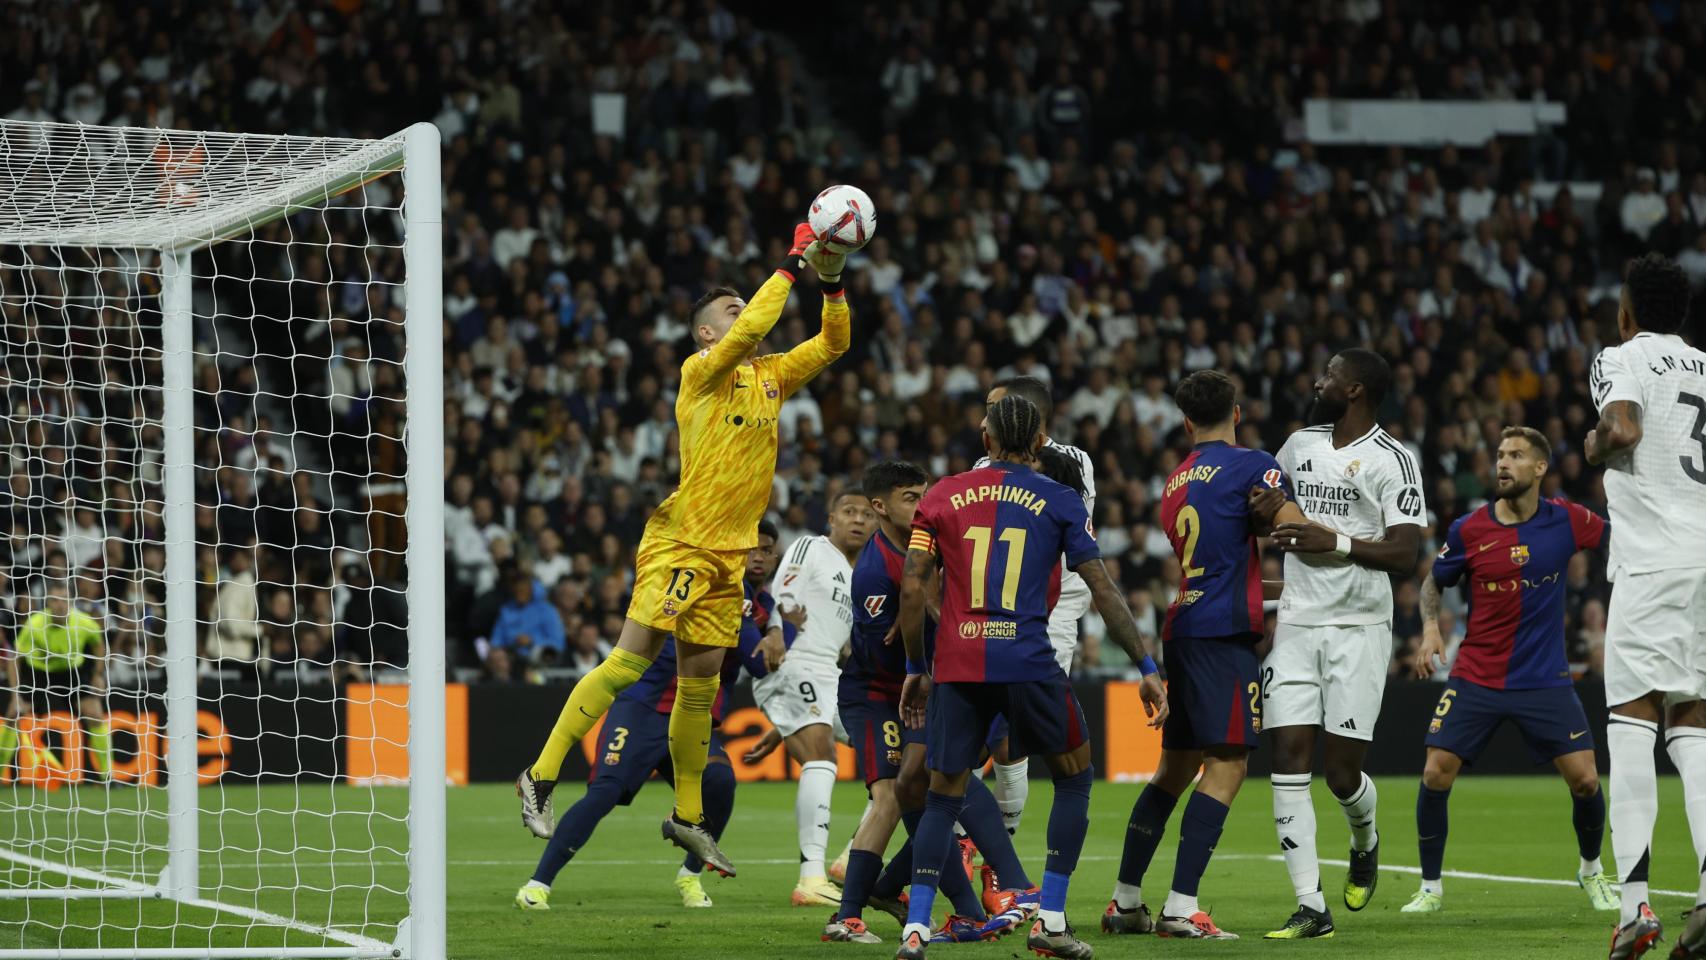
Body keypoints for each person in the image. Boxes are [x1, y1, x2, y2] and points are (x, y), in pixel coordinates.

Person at [516, 224, 850, 877]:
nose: (742, 316)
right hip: (684, 540)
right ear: (706, 334)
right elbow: (752, 325)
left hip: (729, 556)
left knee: (698, 688)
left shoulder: (772, 378)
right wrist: (793, 261)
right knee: (629, 661)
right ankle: (540, 773)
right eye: (728, 312)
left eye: (740, 308)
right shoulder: (700, 373)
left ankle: (689, 819)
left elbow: (835, 341)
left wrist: (831, 278)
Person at [892, 394, 1168, 960]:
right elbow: (1103, 590)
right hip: (1028, 660)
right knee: (1073, 778)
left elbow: (914, 587)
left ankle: (915, 929)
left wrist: (917, 668)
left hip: (960, 665)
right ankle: (1051, 918)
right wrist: (1145, 665)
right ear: (1040, 441)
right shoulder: (1061, 499)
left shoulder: (941, 495)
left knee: (943, 797)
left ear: (985, 438)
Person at [1104, 370, 1303, 940]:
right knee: (1228, 764)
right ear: (1236, 413)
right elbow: (1280, 517)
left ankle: (1125, 903)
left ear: (1187, 422)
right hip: (1222, 635)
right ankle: (1180, 907)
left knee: (1173, 770)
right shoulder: (1252, 464)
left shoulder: (1175, 481)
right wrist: (1309, 529)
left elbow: (1214, 562)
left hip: (1184, 625)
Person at [1400, 426, 1615, 915]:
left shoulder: (1568, 520)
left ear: (1540, 468)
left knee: (1584, 779)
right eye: (1499, 454)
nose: (1502, 463)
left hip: (1544, 678)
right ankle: (1430, 888)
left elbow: (1619, 543)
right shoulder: (1469, 529)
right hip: (1477, 674)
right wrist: (1431, 626)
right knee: (1435, 772)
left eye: (1516, 455)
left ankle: (1592, 871)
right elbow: (1435, 579)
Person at [513, 522, 782, 912]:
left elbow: (762, 640)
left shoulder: (760, 604)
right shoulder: (716, 583)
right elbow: (759, 663)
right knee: (603, 794)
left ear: (775, 557)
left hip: (692, 719)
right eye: (751, 547)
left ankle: (689, 876)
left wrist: (775, 628)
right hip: (645, 707)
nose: (757, 555)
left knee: (720, 782)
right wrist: (781, 631)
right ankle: (538, 884)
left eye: (766, 549)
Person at [825, 460, 1030, 945]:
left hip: (933, 686)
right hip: (881, 694)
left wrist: (926, 613)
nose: (923, 503)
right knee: (904, 791)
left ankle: (925, 900)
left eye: (924, 492)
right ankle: (846, 915)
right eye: (910, 497)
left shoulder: (937, 543)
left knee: (930, 789)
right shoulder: (875, 571)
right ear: (881, 507)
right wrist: (927, 614)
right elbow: (881, 651)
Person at [1257, 348, 1425, 939]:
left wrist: (1337, 541)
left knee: (1341, 774)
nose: (1317, 380)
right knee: (1286, 761)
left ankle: (1365, 837)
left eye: (1329, 374)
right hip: (1299, 622)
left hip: (1359, 627)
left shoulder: (1393, 459)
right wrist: (1262, 514)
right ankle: (1311, 907)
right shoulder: (1299, 445)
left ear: (1354, 390)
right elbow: (1271, 515)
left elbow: (1406, 554)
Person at [1584, 253, 1706, 959]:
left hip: (1653, 563)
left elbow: (1623, 429)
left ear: (1628, 311)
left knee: (1630, 720)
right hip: (1703, 562)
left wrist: (1596, 445)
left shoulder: (1621, 356)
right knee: (1692, 723)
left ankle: (1634, 909)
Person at [972, 376, 1098, 857]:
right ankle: (980, 857)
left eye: (993, 410)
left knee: (1011, 739)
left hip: (1053, 610)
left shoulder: (1072, 462)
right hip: (995, 606)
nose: (984, 421)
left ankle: (993, 859)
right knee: (984, 737)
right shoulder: (983, 464)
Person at [754, 489, 873, 906]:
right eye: (849, 511)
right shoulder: (812, 547)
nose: (857, 519)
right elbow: (784, 591)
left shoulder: (861, 575)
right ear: (832, 518)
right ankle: (810, 879)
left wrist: (784, 722)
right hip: (794, 660)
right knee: (822, 758)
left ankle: (850, 857)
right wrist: (772, 631)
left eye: (865, 514)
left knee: (894, 758)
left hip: (830, 677)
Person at [14, 581, 111, 778]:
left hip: (72, 671)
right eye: (55, 600)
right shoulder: (34, 624)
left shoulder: (84, 623)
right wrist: (15, 692)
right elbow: (15, 656)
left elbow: (99, 647)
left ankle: (107, 776)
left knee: (94, 713)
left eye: (64, 600)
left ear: (71, 602)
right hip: (39, 672)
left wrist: (97, 675)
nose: (60, 605)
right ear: (48, 603)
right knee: (12, 713)